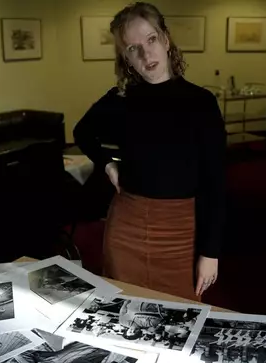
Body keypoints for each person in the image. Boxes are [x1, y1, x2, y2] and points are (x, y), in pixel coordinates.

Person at [74, 2, 226, 300]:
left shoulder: (201, 103)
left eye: (151, 40)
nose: (145, 54)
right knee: (122, 311)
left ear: (166, 40)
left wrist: (211, 252)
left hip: (180, 230)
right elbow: (82, 132)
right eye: (132, 48)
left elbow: (216, 183)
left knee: (179, 318)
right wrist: (107, 164)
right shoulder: (121, 99)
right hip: (126, 225)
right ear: (126, 58)